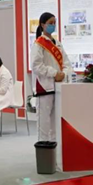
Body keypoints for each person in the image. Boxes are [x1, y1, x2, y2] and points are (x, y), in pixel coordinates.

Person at [32, 12, 72, 142]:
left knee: (56, 120)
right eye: (50, 23)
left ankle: (56, 147)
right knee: (43, 121)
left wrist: (63, 73)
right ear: (42, 25)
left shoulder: (58, 44)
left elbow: (67, 63)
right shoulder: (39, 44)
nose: (53, 25)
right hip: (44, 87)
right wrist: (54, 73)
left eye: (54, 23)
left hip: (58, 87)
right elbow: (36, 66)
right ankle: (44, 147)